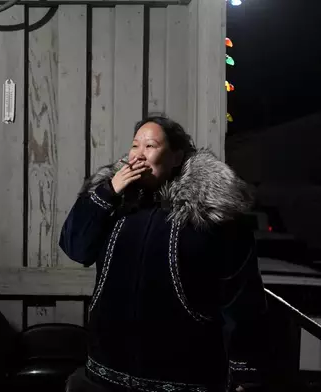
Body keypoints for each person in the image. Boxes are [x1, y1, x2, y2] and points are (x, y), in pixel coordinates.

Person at [60, 115, 267, 392]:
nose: (139, 155)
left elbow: (241, 296)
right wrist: (108, 192)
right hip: (107, 374)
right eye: (135, 146)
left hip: (183, 379)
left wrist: (244, 370)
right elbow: (77, 249)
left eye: (151, 146)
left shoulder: (212, 213)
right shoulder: (116, 204)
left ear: (176, 157)